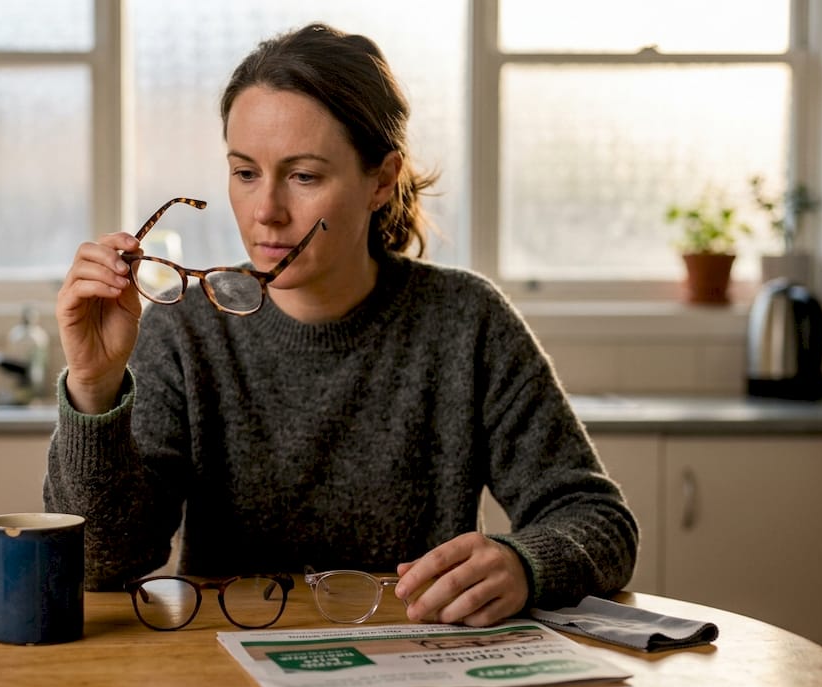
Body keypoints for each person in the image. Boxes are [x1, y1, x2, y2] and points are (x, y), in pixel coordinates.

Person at [46, 22, 637, 627]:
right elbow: (102, 565)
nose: (266, 212)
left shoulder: (468, 322)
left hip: (418, 668)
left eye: (304, 176)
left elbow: (599, 520)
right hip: (227, 673)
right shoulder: (183, 332)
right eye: (245, 173)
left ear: (380, 180)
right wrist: (93, 390)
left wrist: (524, 562)